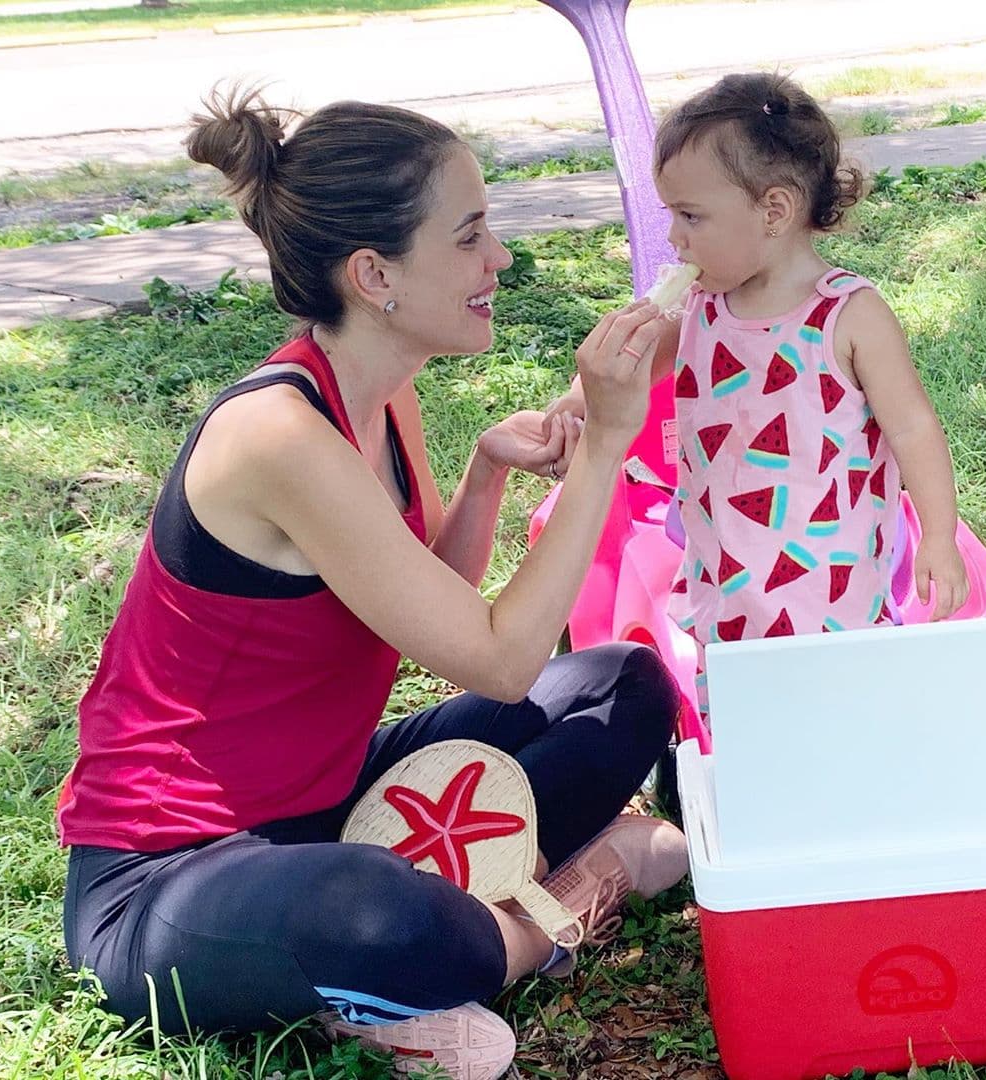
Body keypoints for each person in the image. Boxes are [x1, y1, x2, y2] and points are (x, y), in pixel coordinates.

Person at [57, 87, 689, 1080]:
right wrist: (605, 446)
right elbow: (498, 651)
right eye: (472, 235)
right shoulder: (279, 435)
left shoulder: (379, 399)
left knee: (621, 687)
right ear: (374, 274)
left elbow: (436, 601)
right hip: (169, 875)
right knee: (383, 916)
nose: (501, 261)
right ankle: (569, 900)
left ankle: (414, 962)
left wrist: (484, 474)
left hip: (331, 801)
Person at [547, 72, 969, 724]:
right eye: (671, 215)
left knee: (839, 711)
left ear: (773, 211)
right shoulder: (696, 303)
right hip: (725, 569)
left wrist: (939, 536)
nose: (675, 239)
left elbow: (913, 428)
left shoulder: (848, 315)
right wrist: (576, 401)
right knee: (747, 710)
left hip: (828, 576)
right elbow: (628, 369)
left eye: (691, 216)